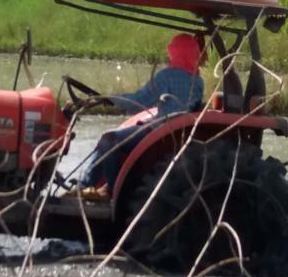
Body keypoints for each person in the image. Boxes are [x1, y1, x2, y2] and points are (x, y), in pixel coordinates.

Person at [72, 33, 205, 199]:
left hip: (162, 129)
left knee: (109, 139)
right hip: (178, 129)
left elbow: (140, 101)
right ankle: (89, 185)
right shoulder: (198, 80)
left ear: (176, 52)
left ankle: (108, 190)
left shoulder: (168, 76)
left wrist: (110, 99)